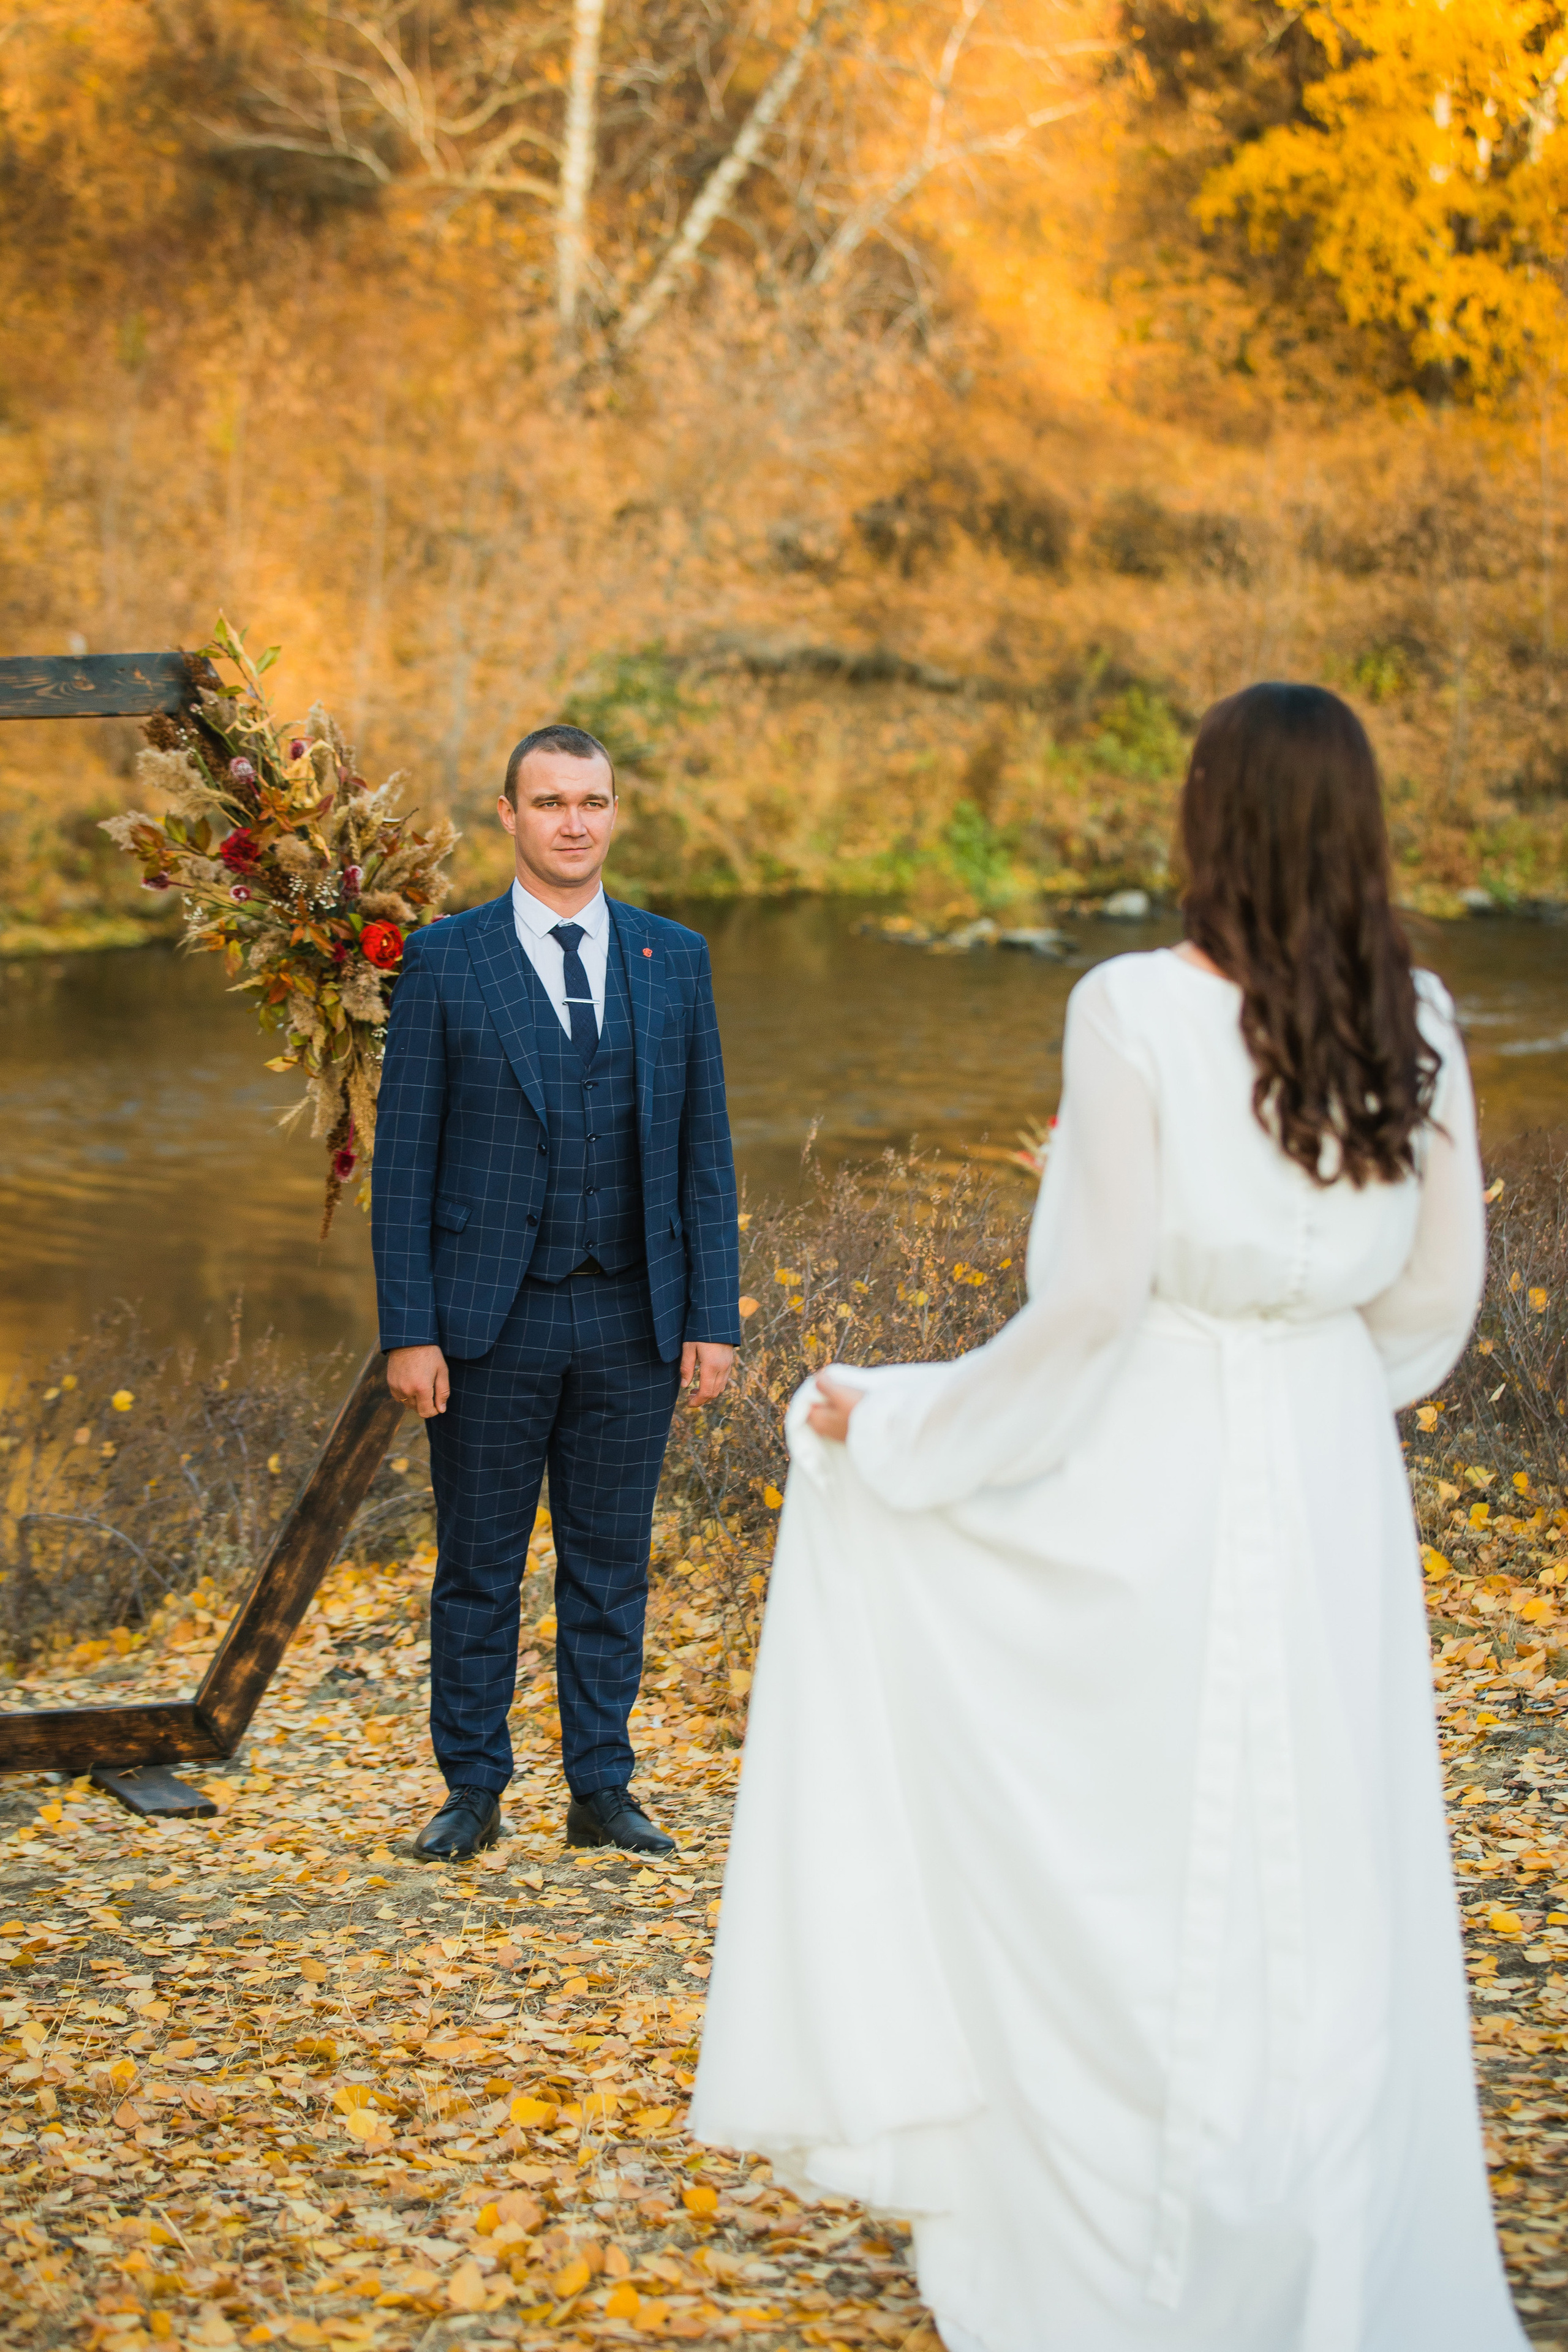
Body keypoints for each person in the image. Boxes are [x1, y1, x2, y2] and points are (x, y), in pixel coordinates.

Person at [691, 684, 1526, 2350]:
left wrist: (905, 1419)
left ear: (1209, 820)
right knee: (1326, 1847)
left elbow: (1089, 1308)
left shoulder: (1135, 1005)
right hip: (1328, 1454)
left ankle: (1138, 2247)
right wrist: (1316, 1383)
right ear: (1356, 824)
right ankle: (1338, 2248)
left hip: (1159, 1442)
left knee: (1144, 1840)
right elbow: (1439, 1302)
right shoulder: (1414, 1013)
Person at [372, 723, 740, 1863]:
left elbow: (704, 1152)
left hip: (634, 1315)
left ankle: (601, 1789)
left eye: (592, 802)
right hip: (490, 1319)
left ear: (613, 813)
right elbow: (404, 1163)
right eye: (550, 804)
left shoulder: (672, 959)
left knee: (610, 1563)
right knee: (478, 1566)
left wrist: (712, 1318)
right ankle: (472, 1791)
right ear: (508, 815)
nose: (574, 824)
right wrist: (411, 1330)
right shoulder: (444, 960)